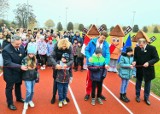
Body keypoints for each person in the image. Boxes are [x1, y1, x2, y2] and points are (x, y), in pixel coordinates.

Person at [132, 31, 159, 105]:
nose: (140, 47)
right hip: (140, 70)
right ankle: (137, 96)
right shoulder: (137, 48)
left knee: (147, 84)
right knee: (138, 83)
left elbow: (156, 58)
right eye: (139, 45)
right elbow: (135, 57)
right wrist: (134, 61)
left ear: (145, 43)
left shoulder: (152, 48)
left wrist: (149, 63)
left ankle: (146, 98)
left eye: (141, 45)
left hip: (148, 70)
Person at [2, 35, 27, 110]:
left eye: (20, 43)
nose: (19, 45)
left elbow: (24, 57)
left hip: (19, 71)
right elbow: (7, 63)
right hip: (10, 72)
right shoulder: (6, 50)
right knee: (9, 88)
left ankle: (19, 98)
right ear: (11, 42)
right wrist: (20, 66)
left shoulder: (21, 47)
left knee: (18, 85)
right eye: (17, 44)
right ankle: (10, 103)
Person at [84, 31, 110, 101]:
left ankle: (99, 94)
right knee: (90, 79)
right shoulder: (92, 42)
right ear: (100, 35)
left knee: (100, 80)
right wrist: (89, 57)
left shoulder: (106, 44)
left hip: (101, 65)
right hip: (92, 64)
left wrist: (106, 63)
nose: (103, 40)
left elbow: (107, 54)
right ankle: (88, 93)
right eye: (102, 37)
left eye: (105, 38)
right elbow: (86, 50)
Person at [50, 39, 73, 104]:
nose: (64, 48)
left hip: (66, 67)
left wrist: (67, 64)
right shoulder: (56, 47)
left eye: (65, 47)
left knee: (65, 82)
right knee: (55, 81)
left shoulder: (69, 48)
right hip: (57, 65)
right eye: (63, 46)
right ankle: (54, 96)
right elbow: (51, 57)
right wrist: (56, 65)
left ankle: (64, 96)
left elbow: (72, 59)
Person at [21, 47, 38, 114]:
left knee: (32, 91)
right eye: (30, 54)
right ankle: (26, 102)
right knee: (29, 91)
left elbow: (36, 68)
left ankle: (30, 100)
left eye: (32, 54)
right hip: (27, 76)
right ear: (28, 53)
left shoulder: (35, 59)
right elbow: (23, 66)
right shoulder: (25, 59)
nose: (31, 55)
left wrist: (37, 75)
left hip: (33, 76)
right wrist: (28, 67)